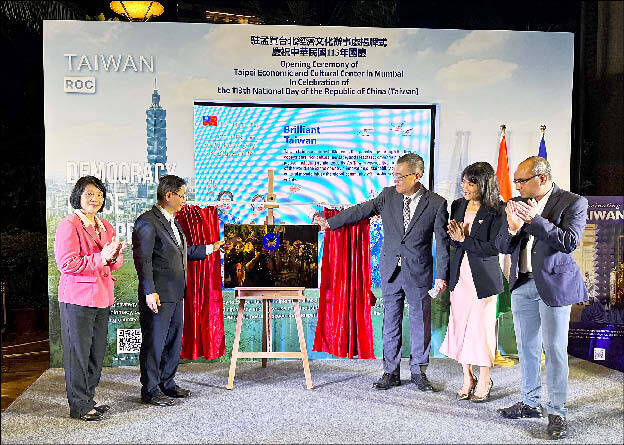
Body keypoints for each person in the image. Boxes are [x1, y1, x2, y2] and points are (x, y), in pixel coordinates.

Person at [316, 153, 450, 391]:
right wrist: (331, 222)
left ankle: (419, 372)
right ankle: (391, 371)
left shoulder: (437, 203)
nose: (395, 179)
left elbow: (442, 241)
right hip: (390, 271)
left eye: (400, 176)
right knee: (390, 322)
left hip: (419, 272)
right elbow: (361, 211)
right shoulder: (387, 195)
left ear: (417, 176)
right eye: (394, 175)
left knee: (420, 322)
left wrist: (441, 276)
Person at [495, 156, 588, 440]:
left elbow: (569, 242)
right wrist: (512, 225)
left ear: (543, 178)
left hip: (554, 285)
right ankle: (530, 403)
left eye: (522, 181)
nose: (517, 186)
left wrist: (533, 220)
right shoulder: (517, 203)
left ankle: (557, 412)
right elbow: (502, 244)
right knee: (527, 347)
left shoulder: (573, 202)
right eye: (516, 181)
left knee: (556, 350)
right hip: (523, 284)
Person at [132, 175, 224, 406]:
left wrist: (212, 248)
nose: (184, 200)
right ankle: (150, 389)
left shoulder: (174, 222)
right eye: (182, 195)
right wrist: (149, 291)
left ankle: (167, 383)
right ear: (168, 195)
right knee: (154, 342)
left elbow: (184, 252)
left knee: (172, 341)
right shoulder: (147, 221)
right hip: (157, 295)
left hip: (175, 294)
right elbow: (142, 261)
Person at [54, 176, 125, 421]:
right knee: (78, 355)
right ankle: (79, 405)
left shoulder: (105, 225)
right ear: (78, 196)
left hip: (103, 298)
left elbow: (114, 264)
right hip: (77, 299)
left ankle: (88, 399)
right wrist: (101, 258)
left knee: (95, 354)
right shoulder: (69, 224)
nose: (95, 199)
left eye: (99, 195)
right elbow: (66, 263)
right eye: (89, 194)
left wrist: (114, 256)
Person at [439, 162, 504, 403]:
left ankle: (485, 377)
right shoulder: (458, 205)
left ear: (484, 184)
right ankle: (467, 377)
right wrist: (454, 237)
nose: (464, 186)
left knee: (480, 328)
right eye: (464, 181)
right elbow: (455, 242)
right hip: (460, 277)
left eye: (470, 182)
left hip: (483, 279)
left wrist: (463, 239)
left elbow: (494, 247)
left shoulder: (498, 210)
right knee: (460, 326)